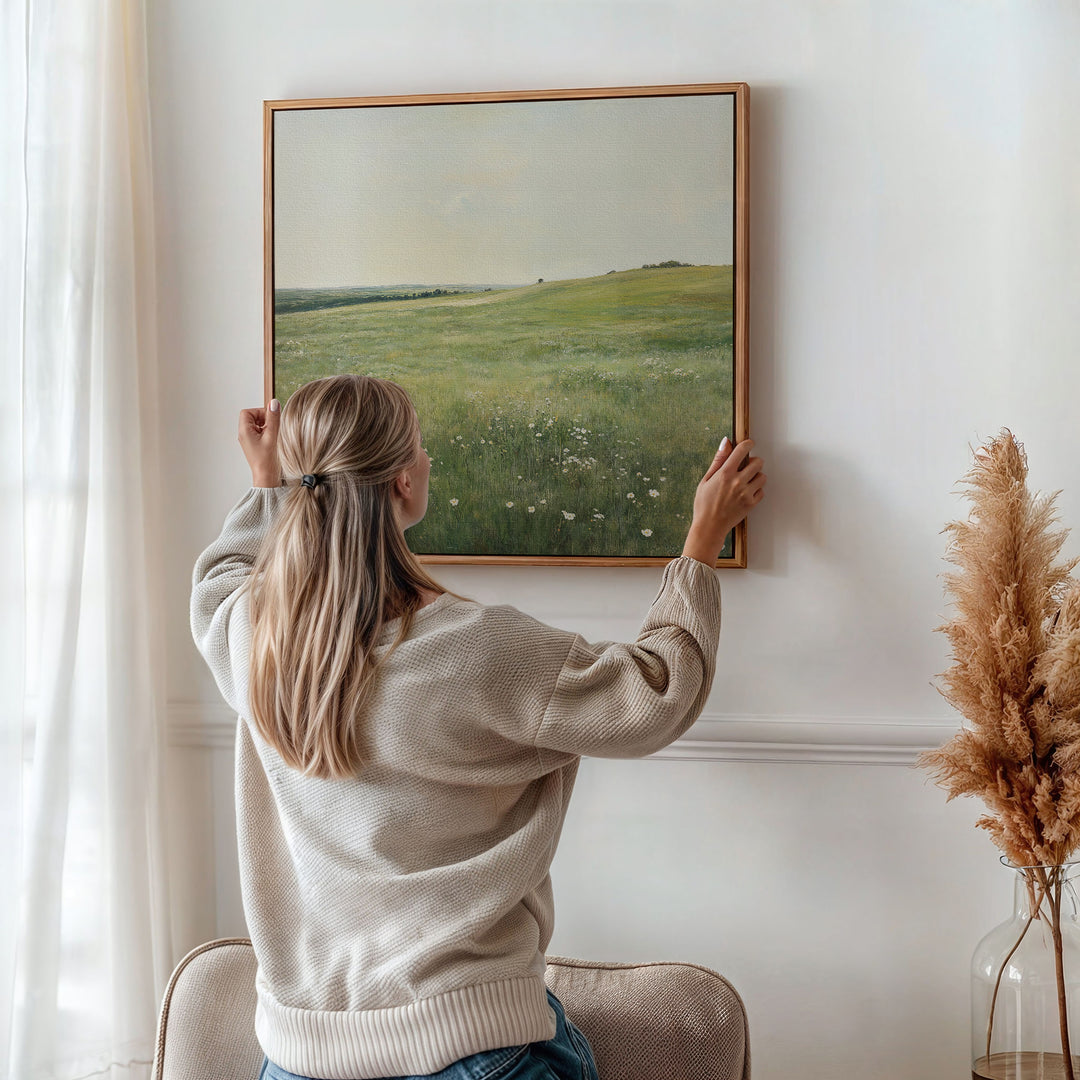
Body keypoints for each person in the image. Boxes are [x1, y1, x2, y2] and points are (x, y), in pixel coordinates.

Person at [190, 374, 766, 1080]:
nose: (428, 460)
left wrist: (266, 485)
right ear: (403, 482)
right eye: (423, 448)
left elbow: (219, 577)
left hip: (297, 1061)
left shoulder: (253, 639)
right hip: (469, 1052)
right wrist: (702, 539)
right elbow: (655, 692)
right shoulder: (478, 649)